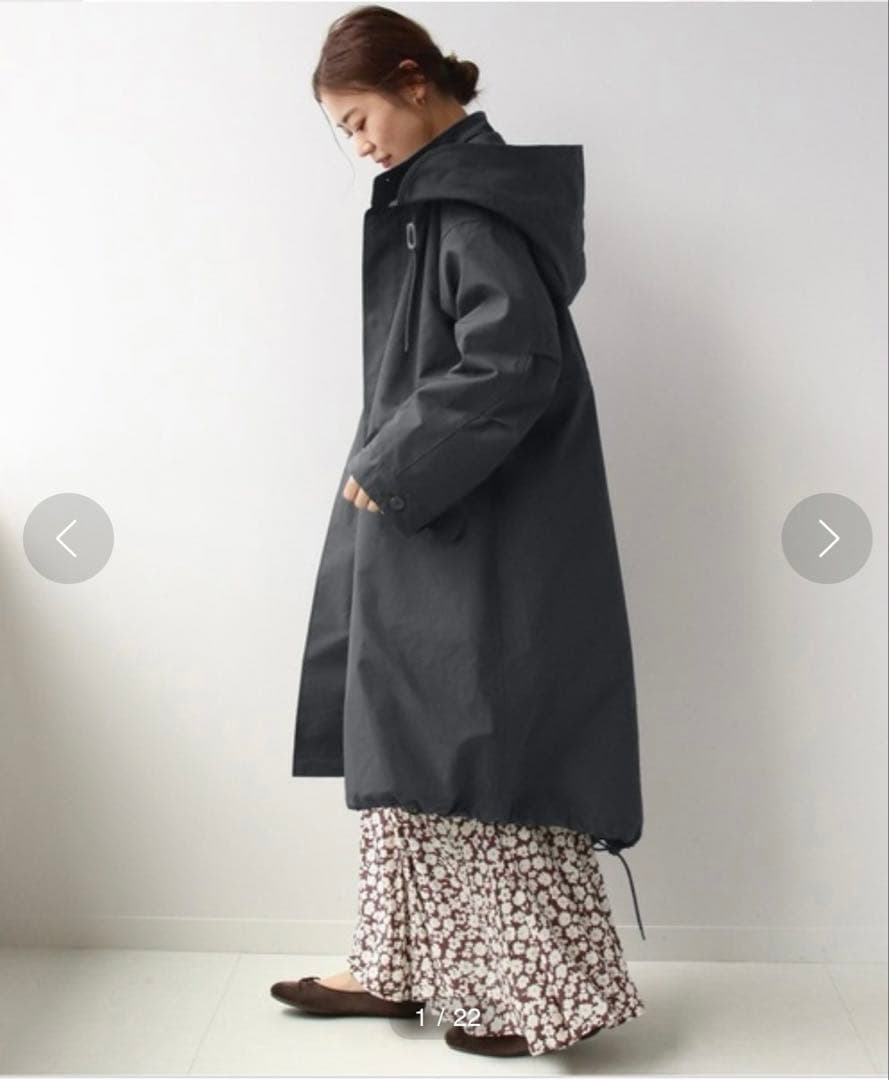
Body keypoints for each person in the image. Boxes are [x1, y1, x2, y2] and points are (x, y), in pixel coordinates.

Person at [272, 4, 647, 1058]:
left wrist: (392, 465)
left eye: (357, 120)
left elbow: (510, 362)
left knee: (486, 749)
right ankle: (396, 965)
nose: (358, 146)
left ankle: (546, 996)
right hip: (437, 515)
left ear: (411, 79)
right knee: (407, 736)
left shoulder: (467, 204)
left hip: (474, 522)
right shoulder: (439, 196)